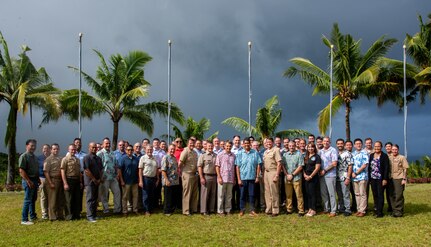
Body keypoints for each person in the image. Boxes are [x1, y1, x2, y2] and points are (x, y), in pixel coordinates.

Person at [235, 139, 261, 216]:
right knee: (242, 195)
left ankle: (252, 210)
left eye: (248, 143)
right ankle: (242, 210)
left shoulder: (255, 153)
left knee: (252, 194)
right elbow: (237, 167)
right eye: (245, 143)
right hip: (243, 178)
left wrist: (257, 176)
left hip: (252, 177)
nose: (246, 144)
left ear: (250, 144)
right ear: (243, 144)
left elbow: (258, 164)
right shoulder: (240, 153)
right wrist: (239, 179)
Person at [97, 138, 121, 214]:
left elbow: (116, 164)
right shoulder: (100, 153)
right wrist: (100, 177)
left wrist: (117, 174)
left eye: (109, 143)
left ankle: (117, 209)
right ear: (103, 144)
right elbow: (97, 166)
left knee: (117, 192)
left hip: (113, 177)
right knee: (104, 194)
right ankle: (106, 209)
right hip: (104, 177)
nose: (108, 145)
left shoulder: (113, 153)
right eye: (106, 143)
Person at [19, 139, 39, 225]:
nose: (33, 147)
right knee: (27, 200)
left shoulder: (34, 157)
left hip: (34, 180)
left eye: (34, 146)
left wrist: (37, 179)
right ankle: (24, 219)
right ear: (27, 146)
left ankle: (33, 216)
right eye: (31, 145)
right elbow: (21, 171)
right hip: (28, 180)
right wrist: (28, 181)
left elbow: (35, 169)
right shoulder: (24, 156)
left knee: (33, 199)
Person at [282, 141, 305, 216]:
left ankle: (301, 210)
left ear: (295, 146)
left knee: (299, 195)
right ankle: (289, 209)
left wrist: (292, 174)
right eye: (290, 146)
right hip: (287, 178)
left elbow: (301, 166)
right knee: (288, 195)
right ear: (288, 146)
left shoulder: (299, 154)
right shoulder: (285, 155)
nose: (291, 147)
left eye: (293, 146)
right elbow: (283, 166)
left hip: (296, 177)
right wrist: (287, 175)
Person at [61, 144, 82, 220]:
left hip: (76, 180)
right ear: (68, 150)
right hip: (69, 179)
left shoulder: (77, 159)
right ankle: (68, 216)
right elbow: (62, 171)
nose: (73, 151)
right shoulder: (65, 159)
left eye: (74, 149)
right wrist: (65, 183)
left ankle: (76, 215)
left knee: (77, 198)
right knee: (68, 199)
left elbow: (79, 172)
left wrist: (80, 182)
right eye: (72, 149)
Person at [368, 141, 390, 218]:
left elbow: (386, 168)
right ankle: (376, 210)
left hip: (381, 178)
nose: (377, 148)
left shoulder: (384, 156)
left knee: (380, 194)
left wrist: (385, 179)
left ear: (381, 147)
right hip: (373, 178)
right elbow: (369, 168)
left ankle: (380, 212)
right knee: (375, 194)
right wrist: (369, 178)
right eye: (376, 146)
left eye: (378, 146)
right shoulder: (371, 155)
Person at [318, 137, 338, 217]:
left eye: (327, 141)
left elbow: (334, 163)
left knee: (331, 193)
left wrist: (325, 170)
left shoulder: (333, 150)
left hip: (330, 175)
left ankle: (333, 210)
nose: (326, 142)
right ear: (322, 142)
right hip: (322, 175)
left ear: (330, 142)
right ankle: (326, 209)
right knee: (324, 193)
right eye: (324, 141)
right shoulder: (320, 151)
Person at [44, 144, 65, 221]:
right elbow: (46, 172)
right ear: (51, 150)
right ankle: (52, 217)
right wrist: (50, 183)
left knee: (60, 199)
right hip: (52, 180)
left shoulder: (61, 158)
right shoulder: (48, 159)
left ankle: (60, 215)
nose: (56, 150)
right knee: (52, 200)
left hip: (60, 180)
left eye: (57, 149)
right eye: (54, 149)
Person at [83, 142, 103, 222]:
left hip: (97, 181)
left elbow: (101, 170)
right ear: (89, 148)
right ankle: (89, 216)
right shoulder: (87, 158)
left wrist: (99, 179)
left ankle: (94, 214)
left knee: (95, 199)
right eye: (92, 147)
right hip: (90, 182)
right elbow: (87, 170)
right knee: (90, 199)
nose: (94, 149)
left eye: (95, 147)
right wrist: (94, 179)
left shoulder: (98, 158)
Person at [179, 139, 199, 216]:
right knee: (187, 193)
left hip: (194, 174)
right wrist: (181, 173)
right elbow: (180, 163)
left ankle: (193, 208)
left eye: (193, 143)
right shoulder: (185, 151)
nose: (192, 144)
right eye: (190, 143)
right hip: (187, 174)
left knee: (194, 193)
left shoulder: (194, 152)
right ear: (187, 143)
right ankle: (186, 210)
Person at [215, 141, 236, 216]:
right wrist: (219, 177)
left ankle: (228, 210)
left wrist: (234, 179)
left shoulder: (233, 155)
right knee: (221, 195)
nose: (228, 147)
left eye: (230, 146)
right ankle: (220, 211)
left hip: (230, 178)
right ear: (224, 146)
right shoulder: (220, 155)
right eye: (227, 146)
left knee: (229, 196)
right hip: (222, 178)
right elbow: (217, 166)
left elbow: (234, 167)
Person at [263, 138, 282, 217]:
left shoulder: (276, 150)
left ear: (273, 142)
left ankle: (275, 210)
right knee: (267, 192)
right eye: (267, 142)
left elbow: (279, 163)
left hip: (273, 172)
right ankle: (269, 208)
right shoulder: (265, 152)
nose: (268, 143)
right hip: (266, 173)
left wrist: (277, 175)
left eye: (270, 142)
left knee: (274, 191)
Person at [388, 144, 409, 217]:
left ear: (398, 150)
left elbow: (405, 168)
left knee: (398, 195)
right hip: (391, 178)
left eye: (395, 149)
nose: (394, 151)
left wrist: (404, 179)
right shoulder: (389, 158)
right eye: (393, 149)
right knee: (391, 195)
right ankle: (394, 210)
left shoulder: (402, 157)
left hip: (399, 178)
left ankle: (399, 211)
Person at [118, 145, 139, 216]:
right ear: (126, 151)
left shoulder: (136, 159)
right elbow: (119, 170)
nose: (130, 151)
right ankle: (125, 211)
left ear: (133, 150)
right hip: (126, 181)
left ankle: (135, 210)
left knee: (135, 196)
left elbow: (138, 170)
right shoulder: (123, 159)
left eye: (131, 150)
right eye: (128, 150)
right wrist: (121, 180)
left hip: (135, 181)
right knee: (125, 197)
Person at [198, 142, 217, 215]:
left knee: (212, 194)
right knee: (205, 194)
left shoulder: (216, 155)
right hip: (206, 176)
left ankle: (211, 209)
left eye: (212, 146)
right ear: (206, 147)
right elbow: (199, 167)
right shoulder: (203, 156)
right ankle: (204, 210)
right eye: (209, 146)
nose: (210, 147)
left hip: (214, 176)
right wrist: (201, 177)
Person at [139, 145, 159, 215]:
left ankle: (151, 209)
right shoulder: (143, 158)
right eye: (148, 150)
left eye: (151, 149)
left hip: (153, 179)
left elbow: (157, 169)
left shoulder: (155, 158)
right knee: (146, 195)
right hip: (146, 178)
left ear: (152, 150)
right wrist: (141, 181)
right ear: (145, 150)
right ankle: (146, 210)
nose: (149, 151)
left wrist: (158, 179)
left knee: (151, 194)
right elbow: (140, 170)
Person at [161, 144, 180, 216]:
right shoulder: (165, 157)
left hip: (174, 181)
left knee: (172, 196)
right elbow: (163, 170)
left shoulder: (174, 158)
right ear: (168, 149)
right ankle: (166, 211)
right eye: (171, 149)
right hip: (168, 180)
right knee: (167, 196)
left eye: (173, 149)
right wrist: (166, 180)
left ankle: (171, 209)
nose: (172, 150)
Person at [336, 139, 353, 216]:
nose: (340, 145)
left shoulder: (348, 154)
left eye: (341, 143)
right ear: (336, 145)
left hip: (345, 177)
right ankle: (341, 208)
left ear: (344, 145)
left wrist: (348, 178)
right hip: (337, 177)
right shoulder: (336, 153)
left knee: (345, 194)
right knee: (339, 194)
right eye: (338, 144)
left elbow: (350, 166)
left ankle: (347, 209)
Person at [352, 139, 369, 217]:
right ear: (354, 145)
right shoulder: (353, 154)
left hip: (362, 176)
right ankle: (358, 209)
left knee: (362, 194)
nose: (358, 145)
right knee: (357, 194)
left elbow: (364, 165)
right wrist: (352, 173)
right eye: (356, 144)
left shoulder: (365, 153)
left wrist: (356, 173)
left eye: (359, 143)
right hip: (354, 178)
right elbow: (351, 165)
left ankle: (363, 210)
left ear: (362, 145)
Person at [303, 143, 321, 217]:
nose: (310, 148)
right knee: (308, 193)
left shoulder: (317, 157)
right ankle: (310, 208)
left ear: (314, 148)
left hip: (313, 177)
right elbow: (303, 167)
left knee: (313, 194)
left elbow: (317, 168)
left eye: (312, 147)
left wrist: (310, 176)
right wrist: (304, 175)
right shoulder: (306, 157)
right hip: (306, 177)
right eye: (309, 147)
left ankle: (313, 210)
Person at [72, 138, 86, 216]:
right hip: (73, 175)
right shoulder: (69, 154)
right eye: (76, 142)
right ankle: (72, 210)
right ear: (74, 144)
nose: (78, 144)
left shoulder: (84, 155)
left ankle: (79, 211)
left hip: (82, 175)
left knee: (80, 194)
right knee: (73, 194)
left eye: (79, 143)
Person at [37, 144, 51, 220]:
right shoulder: (38, 158)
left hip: (51, 179)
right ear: (42, 150)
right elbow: (36, 169)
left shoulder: (52, 158)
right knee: (43, 197)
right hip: (42, 179)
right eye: (44, 148)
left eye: (47, 148)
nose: (46, 150)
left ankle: (51, 212)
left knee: (51, 197)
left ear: (50, 150)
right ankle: (44, 214)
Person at [252, 140, 266, 211]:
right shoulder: (250, 153)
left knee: (261, 191)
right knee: (253, 191)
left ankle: (262, 205)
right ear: (252, 146)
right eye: (254, 145)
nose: (255, 147)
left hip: (260, 174)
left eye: (257, 145)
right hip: (251, 175)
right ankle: (253, 206)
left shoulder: (261, 154)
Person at [384, 141, 393, 213]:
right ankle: (389, 207)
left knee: (391, 193)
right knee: (386, 193)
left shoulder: (394, 155)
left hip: (391, 177)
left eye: (389, 146)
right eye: (386, 147)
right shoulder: (384, 156)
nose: (388, 148)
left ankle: (392, 207)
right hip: (384, 177)